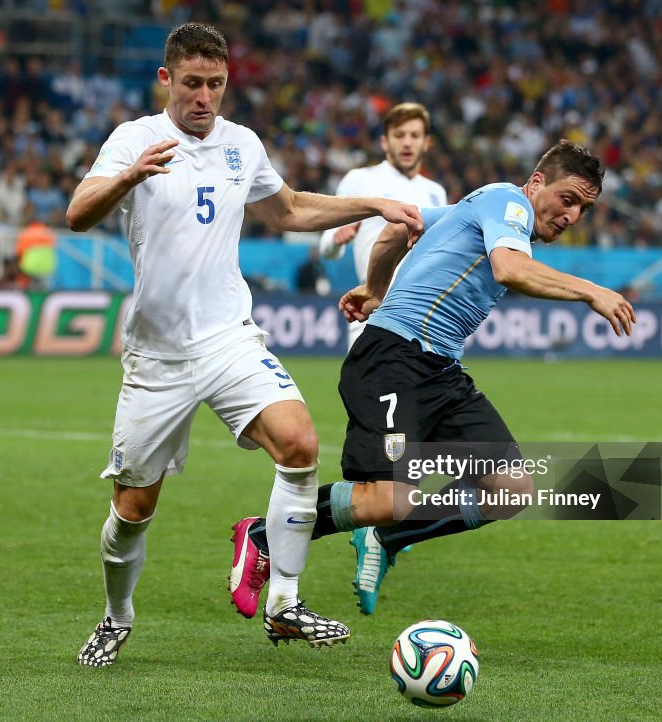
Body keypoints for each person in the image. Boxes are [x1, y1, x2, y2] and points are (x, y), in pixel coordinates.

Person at [66, 22, 423, 667]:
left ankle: (285, 602)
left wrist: (372, 206)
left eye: (217, 84)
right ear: (166, 79)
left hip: (229, 338)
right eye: (193, 83)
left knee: (300, 443)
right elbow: (77, 213)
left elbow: (287, 210)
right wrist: (127, 178)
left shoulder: (241, 144)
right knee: (134, 506)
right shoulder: (134, 139)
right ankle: (116, 617)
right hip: (158, 357)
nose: (205, 96)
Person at [229, 140, 636, 616]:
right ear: (537, 182)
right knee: (388, 497)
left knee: (510, 489)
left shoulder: (477, 204)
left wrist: (375, 289)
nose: (572, 216)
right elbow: (509, 270)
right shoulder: (509, 203)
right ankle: (262, 533)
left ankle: (389, 537)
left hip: (440, 370)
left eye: (583, 209)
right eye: (568, 199)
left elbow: (397, 229)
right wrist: (591, 291)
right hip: (392, 361)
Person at [319, 102, 447, 351]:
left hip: (423, 314)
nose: (407, 143)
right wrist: (336, 240)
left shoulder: (435, 192)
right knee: (371, 390)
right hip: (372, 309)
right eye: (399, 136)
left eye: (414, 135)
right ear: (385, 142)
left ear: (426, 142)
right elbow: (326, 248)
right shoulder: (359, 180)